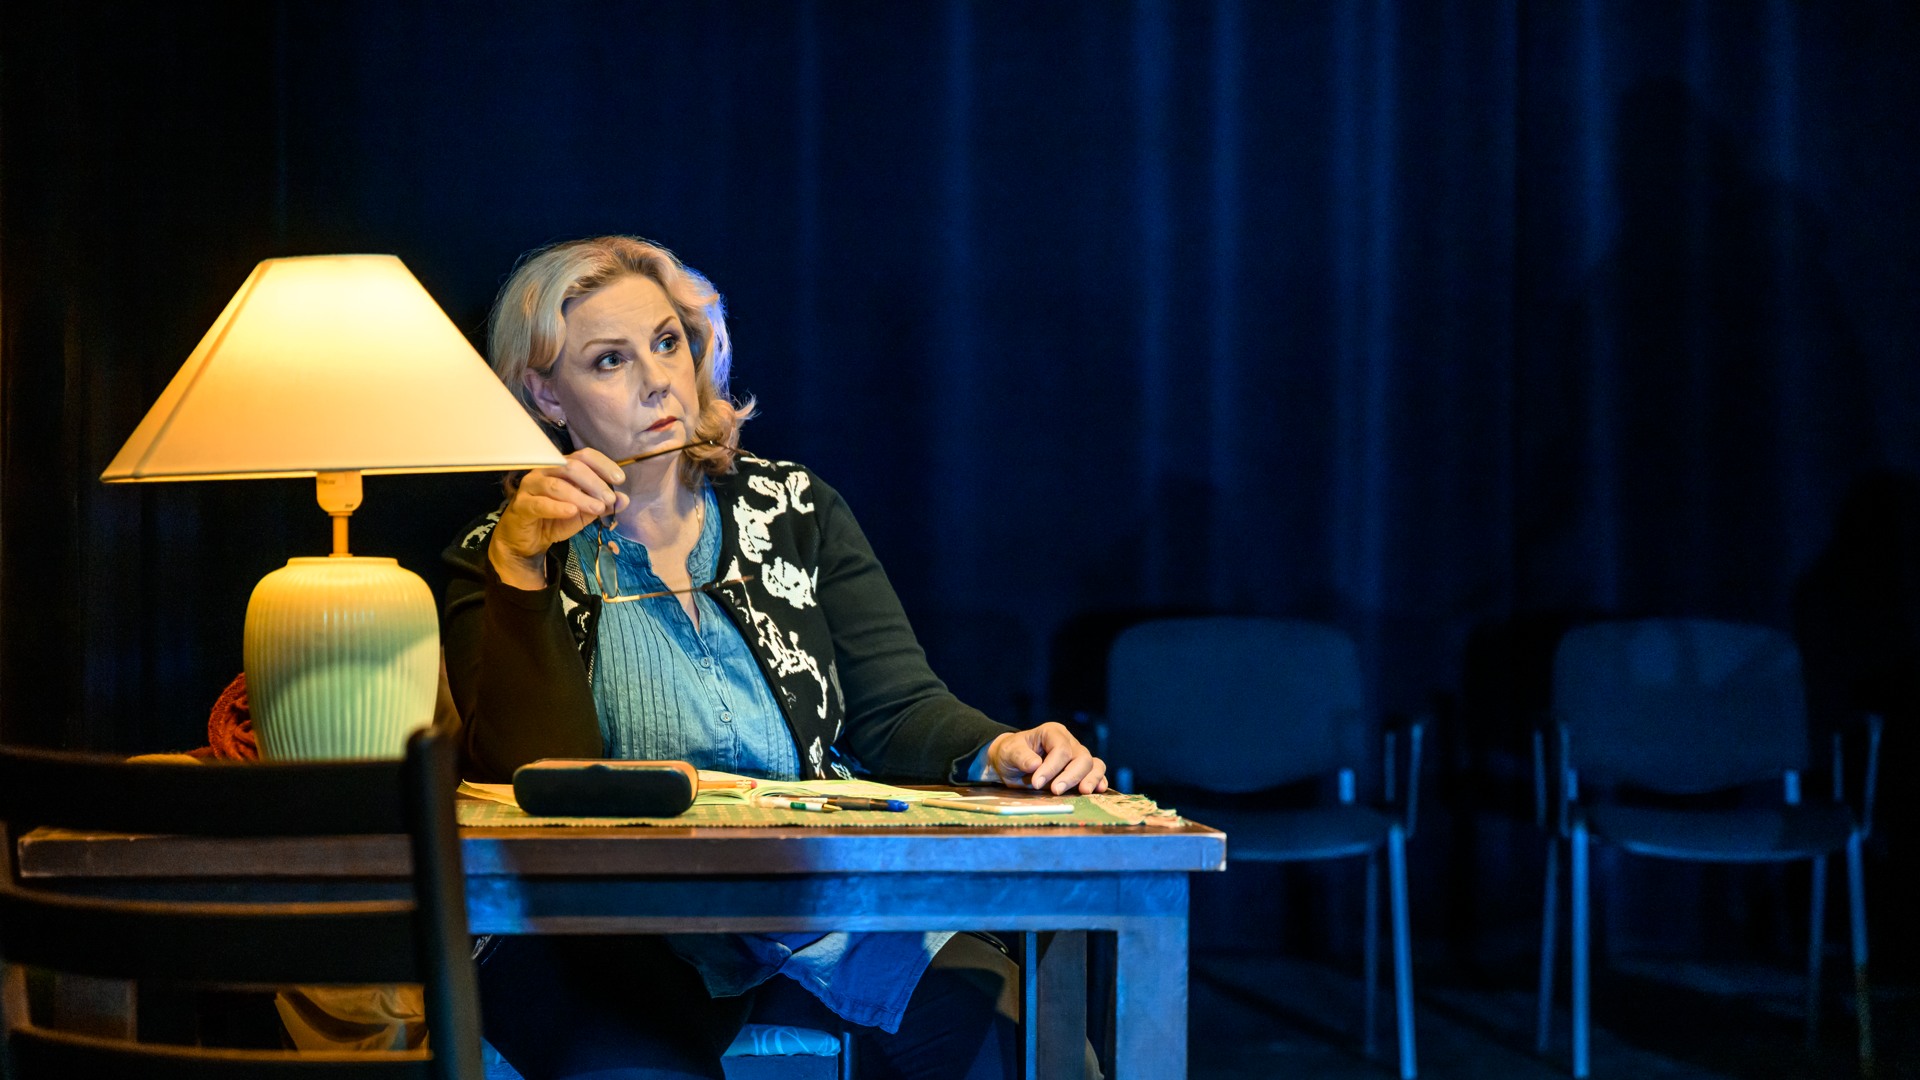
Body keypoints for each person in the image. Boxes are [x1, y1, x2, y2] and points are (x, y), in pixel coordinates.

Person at [441, 235, 1107, 1080]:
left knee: (1031, 1050)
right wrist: (520, 569)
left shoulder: (794, 508)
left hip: (814, 907)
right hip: (605, 932)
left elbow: (896, 708)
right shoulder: (495, 556)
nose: (657, 379)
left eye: (668, 342)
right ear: (545, 393)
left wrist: (999, 747)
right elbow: (530, 773)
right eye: (609, 360)